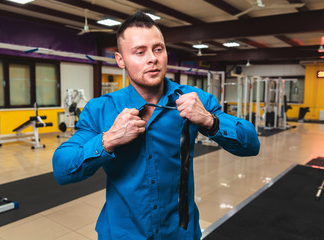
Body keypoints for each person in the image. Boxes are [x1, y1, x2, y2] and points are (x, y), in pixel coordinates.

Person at [52, 11, 260, 240]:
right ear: (120, 60)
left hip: (179, 233)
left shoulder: (194, 100)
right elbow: (62, 170)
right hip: (122, 233)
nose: (152, 58)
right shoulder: (101, 109)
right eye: (139, 52)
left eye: (158, 49)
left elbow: (251, 143)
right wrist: (108, 140)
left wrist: (210, 121)